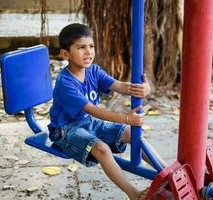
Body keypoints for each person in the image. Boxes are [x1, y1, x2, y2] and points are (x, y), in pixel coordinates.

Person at [48, 23, 166, 200]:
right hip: (65, 130)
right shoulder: (65, 83)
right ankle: (133, 194)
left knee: (130, 133)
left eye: (91, 46)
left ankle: (167, 172)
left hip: (88, 123)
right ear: (65, 54)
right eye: (81, 47)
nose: (88, 52)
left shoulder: (93, 71)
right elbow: (93, 110)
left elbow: (120, 86)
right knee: (101, 148)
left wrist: (142, 88)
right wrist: (126, 118)